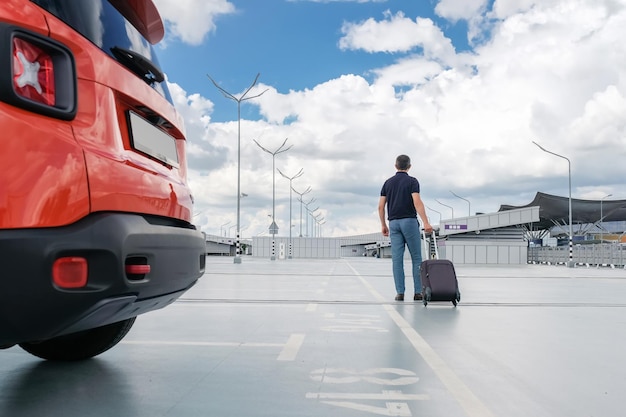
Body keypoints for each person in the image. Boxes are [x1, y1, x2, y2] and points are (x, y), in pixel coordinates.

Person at [378, 155, 433, 301]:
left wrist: (383, 224)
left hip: (393, 223)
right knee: (416, 258)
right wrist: (426, 222)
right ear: (409, 166)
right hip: (409, 221)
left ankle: (400, 293)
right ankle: (417, 292)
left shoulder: (387, 183)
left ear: (395, 165)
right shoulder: (412, 181)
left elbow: (381, 206)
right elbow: (417, 202)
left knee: (397, 259)